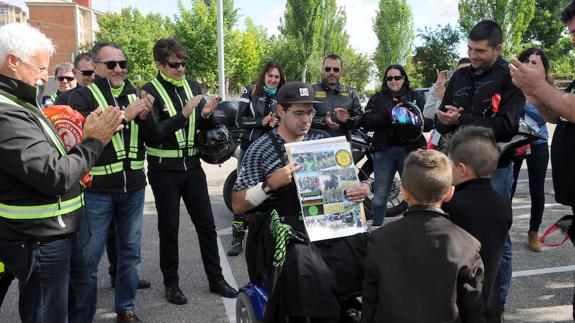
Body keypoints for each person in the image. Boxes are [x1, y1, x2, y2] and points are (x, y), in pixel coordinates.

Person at [0, 23, 123, 323]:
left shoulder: (23, 102)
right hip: (38, 238)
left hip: (60, 230)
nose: (46, 76)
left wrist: (79, 133)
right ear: (12, 62)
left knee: (79, 302)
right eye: (41, 68)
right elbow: (54, 174)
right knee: (47, 314)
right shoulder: (6, 112)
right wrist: (95, 140)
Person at [232, 81, 371, 322]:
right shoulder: (260, 149)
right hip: (283, 226)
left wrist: (363, 188)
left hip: (327, 224)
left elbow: (354, 180)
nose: (306, 119)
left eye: (310, 112)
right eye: (299, 113)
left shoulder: (322, 140)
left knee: (370, 247)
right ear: (281, 111)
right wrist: (269, 185)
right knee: (303, 262)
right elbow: (237, 204)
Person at [434, 20, 525, 312]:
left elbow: (507, 127)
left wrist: (462, 120)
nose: (473, 55)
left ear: (497, 48)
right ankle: (458, 305)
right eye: (470, 49)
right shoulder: (460, 78)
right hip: (456, 170)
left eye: (480, 51)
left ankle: (494, 307)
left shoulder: (511, 79)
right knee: (456, 233)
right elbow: (440, 119)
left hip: (493, 171)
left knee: (497, 242)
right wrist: (443, 119)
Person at [140, 37, 237, 305]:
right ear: (159, 64)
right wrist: (184, 113)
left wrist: (206, 115)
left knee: (206, 225)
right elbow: (154, 136)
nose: (181, 68)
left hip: (193, 167)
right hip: (164, 171)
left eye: (183, 63)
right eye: (174, 64)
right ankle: (171, 284)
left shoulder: (192, 85)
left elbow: (202, 129)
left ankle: (216, 279)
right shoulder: (148, 92)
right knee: (169, 229)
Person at [68, 41, 155, 323]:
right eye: (111, 64)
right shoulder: (81, 97)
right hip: (97, 192)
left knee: (130, 254)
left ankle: (126, 309)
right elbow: (82, 139)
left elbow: (155, 137)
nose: (119, 69)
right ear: (95, 67)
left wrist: (147, 114)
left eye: (122, 64)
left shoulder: (136, 94)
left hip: (133, 189)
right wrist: (125, 116)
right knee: (89, 260)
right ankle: (82, 315)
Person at [362, 149, 485, 323]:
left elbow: (370, 301)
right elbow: (473, 310)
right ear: (449, 193)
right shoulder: (467, 245)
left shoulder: (380, 239)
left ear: (404, 193)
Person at [509, 1, 575, 318]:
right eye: (570, 33)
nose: (572, 40)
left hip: (537, 148)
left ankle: (533, 231)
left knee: (536, 191)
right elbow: (560, 116)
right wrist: (538, 95)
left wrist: (540, 90)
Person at [443, 126, 512, 323]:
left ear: (462, 169)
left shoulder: (451, 205)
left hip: (460, 305)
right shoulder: (503, 203)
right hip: (491, 302)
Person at [228, 60, 285, 256]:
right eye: (270, 76)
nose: (273, 80)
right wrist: (262, 121)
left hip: (274, 151)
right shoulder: (251, 91)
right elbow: (239, 120)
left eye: (277, 77)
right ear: (264, 76)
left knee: (273, 191)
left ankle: (271, 237)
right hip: (249, 148)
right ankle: (237, 238)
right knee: (243, 192)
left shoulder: (283, 94)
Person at [360, 64, 426, 226]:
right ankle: (377, 227)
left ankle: (413, 228)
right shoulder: (377, 98)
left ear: (404, 78)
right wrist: (389, 114)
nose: (393, 81)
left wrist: (407, 116)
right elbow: (366, 122)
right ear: (385, 80)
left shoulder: (416, 96)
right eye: (389, 78)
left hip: (410, 151)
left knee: (413, 193)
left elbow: (427, 122)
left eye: (397, 77)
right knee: (381, 193)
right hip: (384, 152)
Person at [510, 48, 552, 252]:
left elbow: (546, 116)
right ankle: (503, 228)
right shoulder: (512, 83)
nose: (529, 64)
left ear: (542, 66)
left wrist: (523, 102)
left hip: (538, 142)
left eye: (535, 62)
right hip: (515, 141)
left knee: (537, 191)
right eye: (526, 60)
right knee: (509, 186)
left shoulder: (547, 87)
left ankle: (533, 232)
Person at [312, 54, 363, 139]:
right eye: (328, 69)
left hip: (342, 148)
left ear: (342, 71)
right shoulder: (311, 90)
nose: (331, 72)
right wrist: (324, 121)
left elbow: (361, 119)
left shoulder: (351, 93)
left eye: (336, 69)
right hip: (316, 145)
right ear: (323, 70)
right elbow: (302, 118)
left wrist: (348, 120)